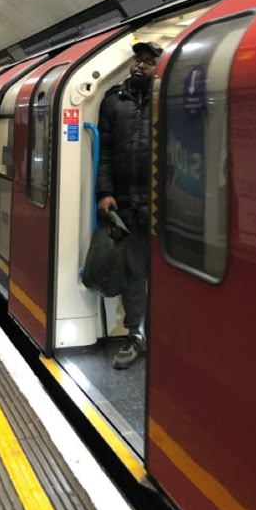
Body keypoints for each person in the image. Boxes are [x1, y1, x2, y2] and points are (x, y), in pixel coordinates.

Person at [96, 40, 162, 369]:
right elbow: (105, 152)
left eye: (148, 62)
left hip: (162, 205)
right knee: (134, 272)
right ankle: (135, 335)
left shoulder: (168, 101)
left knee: (165, 272)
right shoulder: (113, 102)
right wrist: (104, 192)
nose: (140, 66)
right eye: (138, 60)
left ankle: (165, 334)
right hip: (126, 202)